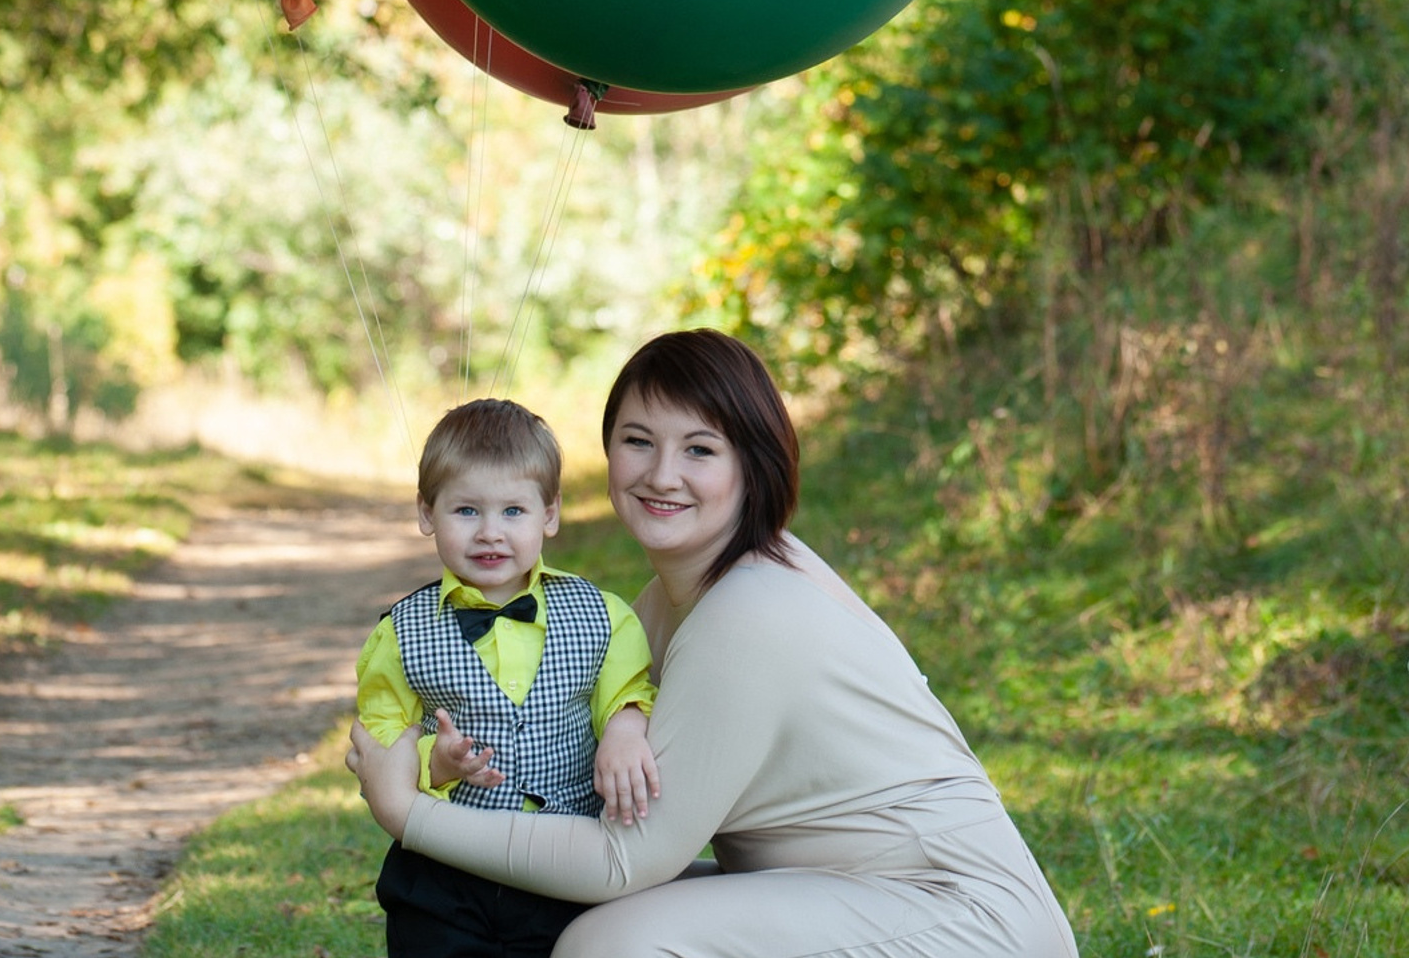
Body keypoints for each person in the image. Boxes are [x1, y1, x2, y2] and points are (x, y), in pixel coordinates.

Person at [348, 333, 1080, 958]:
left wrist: (410, 814)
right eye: (638, 442)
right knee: (569, 914)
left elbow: (624, 858)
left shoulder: (751, 608)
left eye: (700, 449)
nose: (661, 475)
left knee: (612, 946)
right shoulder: (660, 606)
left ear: (751, 464)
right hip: (832, 892)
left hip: (962, 918)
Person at [357, 397, 662, 958]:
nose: (490, 533)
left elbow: (629, 691)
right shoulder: (400, 633)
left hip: (563, 861)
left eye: (513, 512)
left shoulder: (602, 616)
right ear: (427, 513)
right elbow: (379, 739)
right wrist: (434, 761)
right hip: (445, 869)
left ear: (549, 514)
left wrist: (622, 731)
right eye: (466, 511)